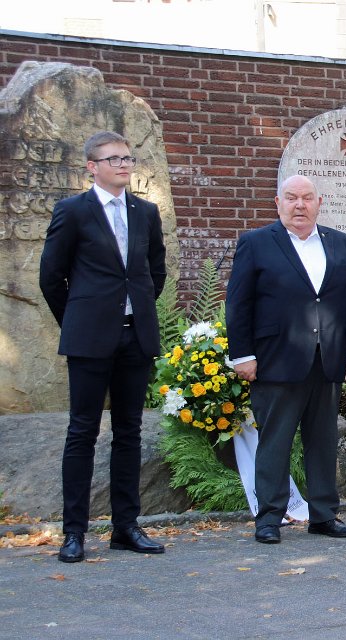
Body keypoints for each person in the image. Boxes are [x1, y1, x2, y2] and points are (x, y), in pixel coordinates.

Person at [39, 130, 168, 562]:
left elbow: (154, 273)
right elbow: (51, 277)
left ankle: (126, 527)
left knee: (129, 432)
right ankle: (74, 532)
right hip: (90, 339)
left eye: (128, 158)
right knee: (82, 432)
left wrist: (135, 312)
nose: (124, 165)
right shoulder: (73, 211)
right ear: (92, 167)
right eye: (114, 159)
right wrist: (80, 320)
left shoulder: (145, 212)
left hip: (135, 337)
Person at [226, 175, 346, 544]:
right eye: (291, 197)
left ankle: (323, 515)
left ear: (320, 203)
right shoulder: (256, 243)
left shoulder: (342, 243)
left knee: (322, 441)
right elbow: (238, 304)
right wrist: (242, 355)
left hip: (328, 360)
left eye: (307, 198)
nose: (300, 205)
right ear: (278, 203)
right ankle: (269, 518)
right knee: (275, 442)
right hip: (275, 361)